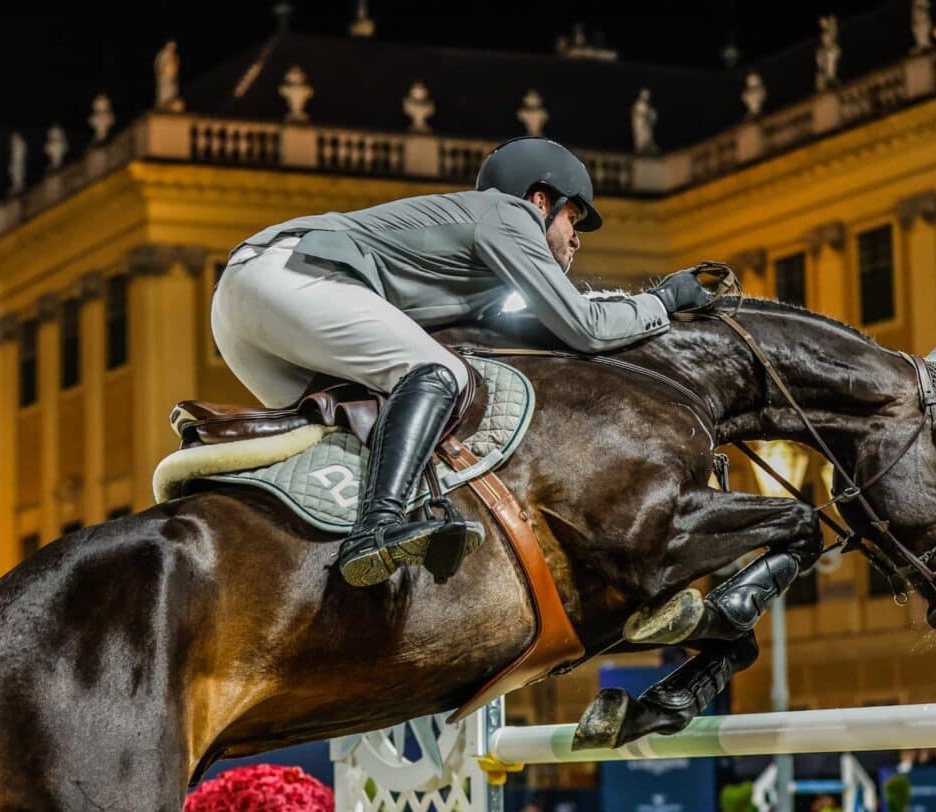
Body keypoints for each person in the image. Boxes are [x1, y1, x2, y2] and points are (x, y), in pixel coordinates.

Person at [211, 136, 713, 587]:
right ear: (541, 201)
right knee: (439, 374)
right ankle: (377, 528)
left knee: (348, 439)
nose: (576, 239)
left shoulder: (478, 268)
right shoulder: (510, 215)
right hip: (287, 275)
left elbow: (549, 329)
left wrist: (624, 311)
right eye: (572, 218)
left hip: (243, 310)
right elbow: (583, 327)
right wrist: (662, 303)